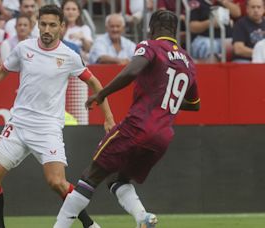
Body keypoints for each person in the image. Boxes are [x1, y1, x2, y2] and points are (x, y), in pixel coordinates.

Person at [0, 4, 115, 228]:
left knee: (57, 183)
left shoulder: (69, 56)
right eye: (43, 24)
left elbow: (94, 82)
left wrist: (108, 117)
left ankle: (90, 225)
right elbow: (4, 70)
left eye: (52, 25)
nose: (47, 29)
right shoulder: (24, 48)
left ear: (61, 27)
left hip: (47, 128)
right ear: (37, 24)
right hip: (18, 124)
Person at [54, 10, 200, 228]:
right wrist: (163, 100)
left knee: (90, 176)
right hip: (162, 137)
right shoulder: (188, 62)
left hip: (137, 127)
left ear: (152, 28)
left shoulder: (150, 46)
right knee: (118, 181)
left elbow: (132, 71)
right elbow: (195, 104)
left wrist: (102, 93)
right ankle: (142, 217)